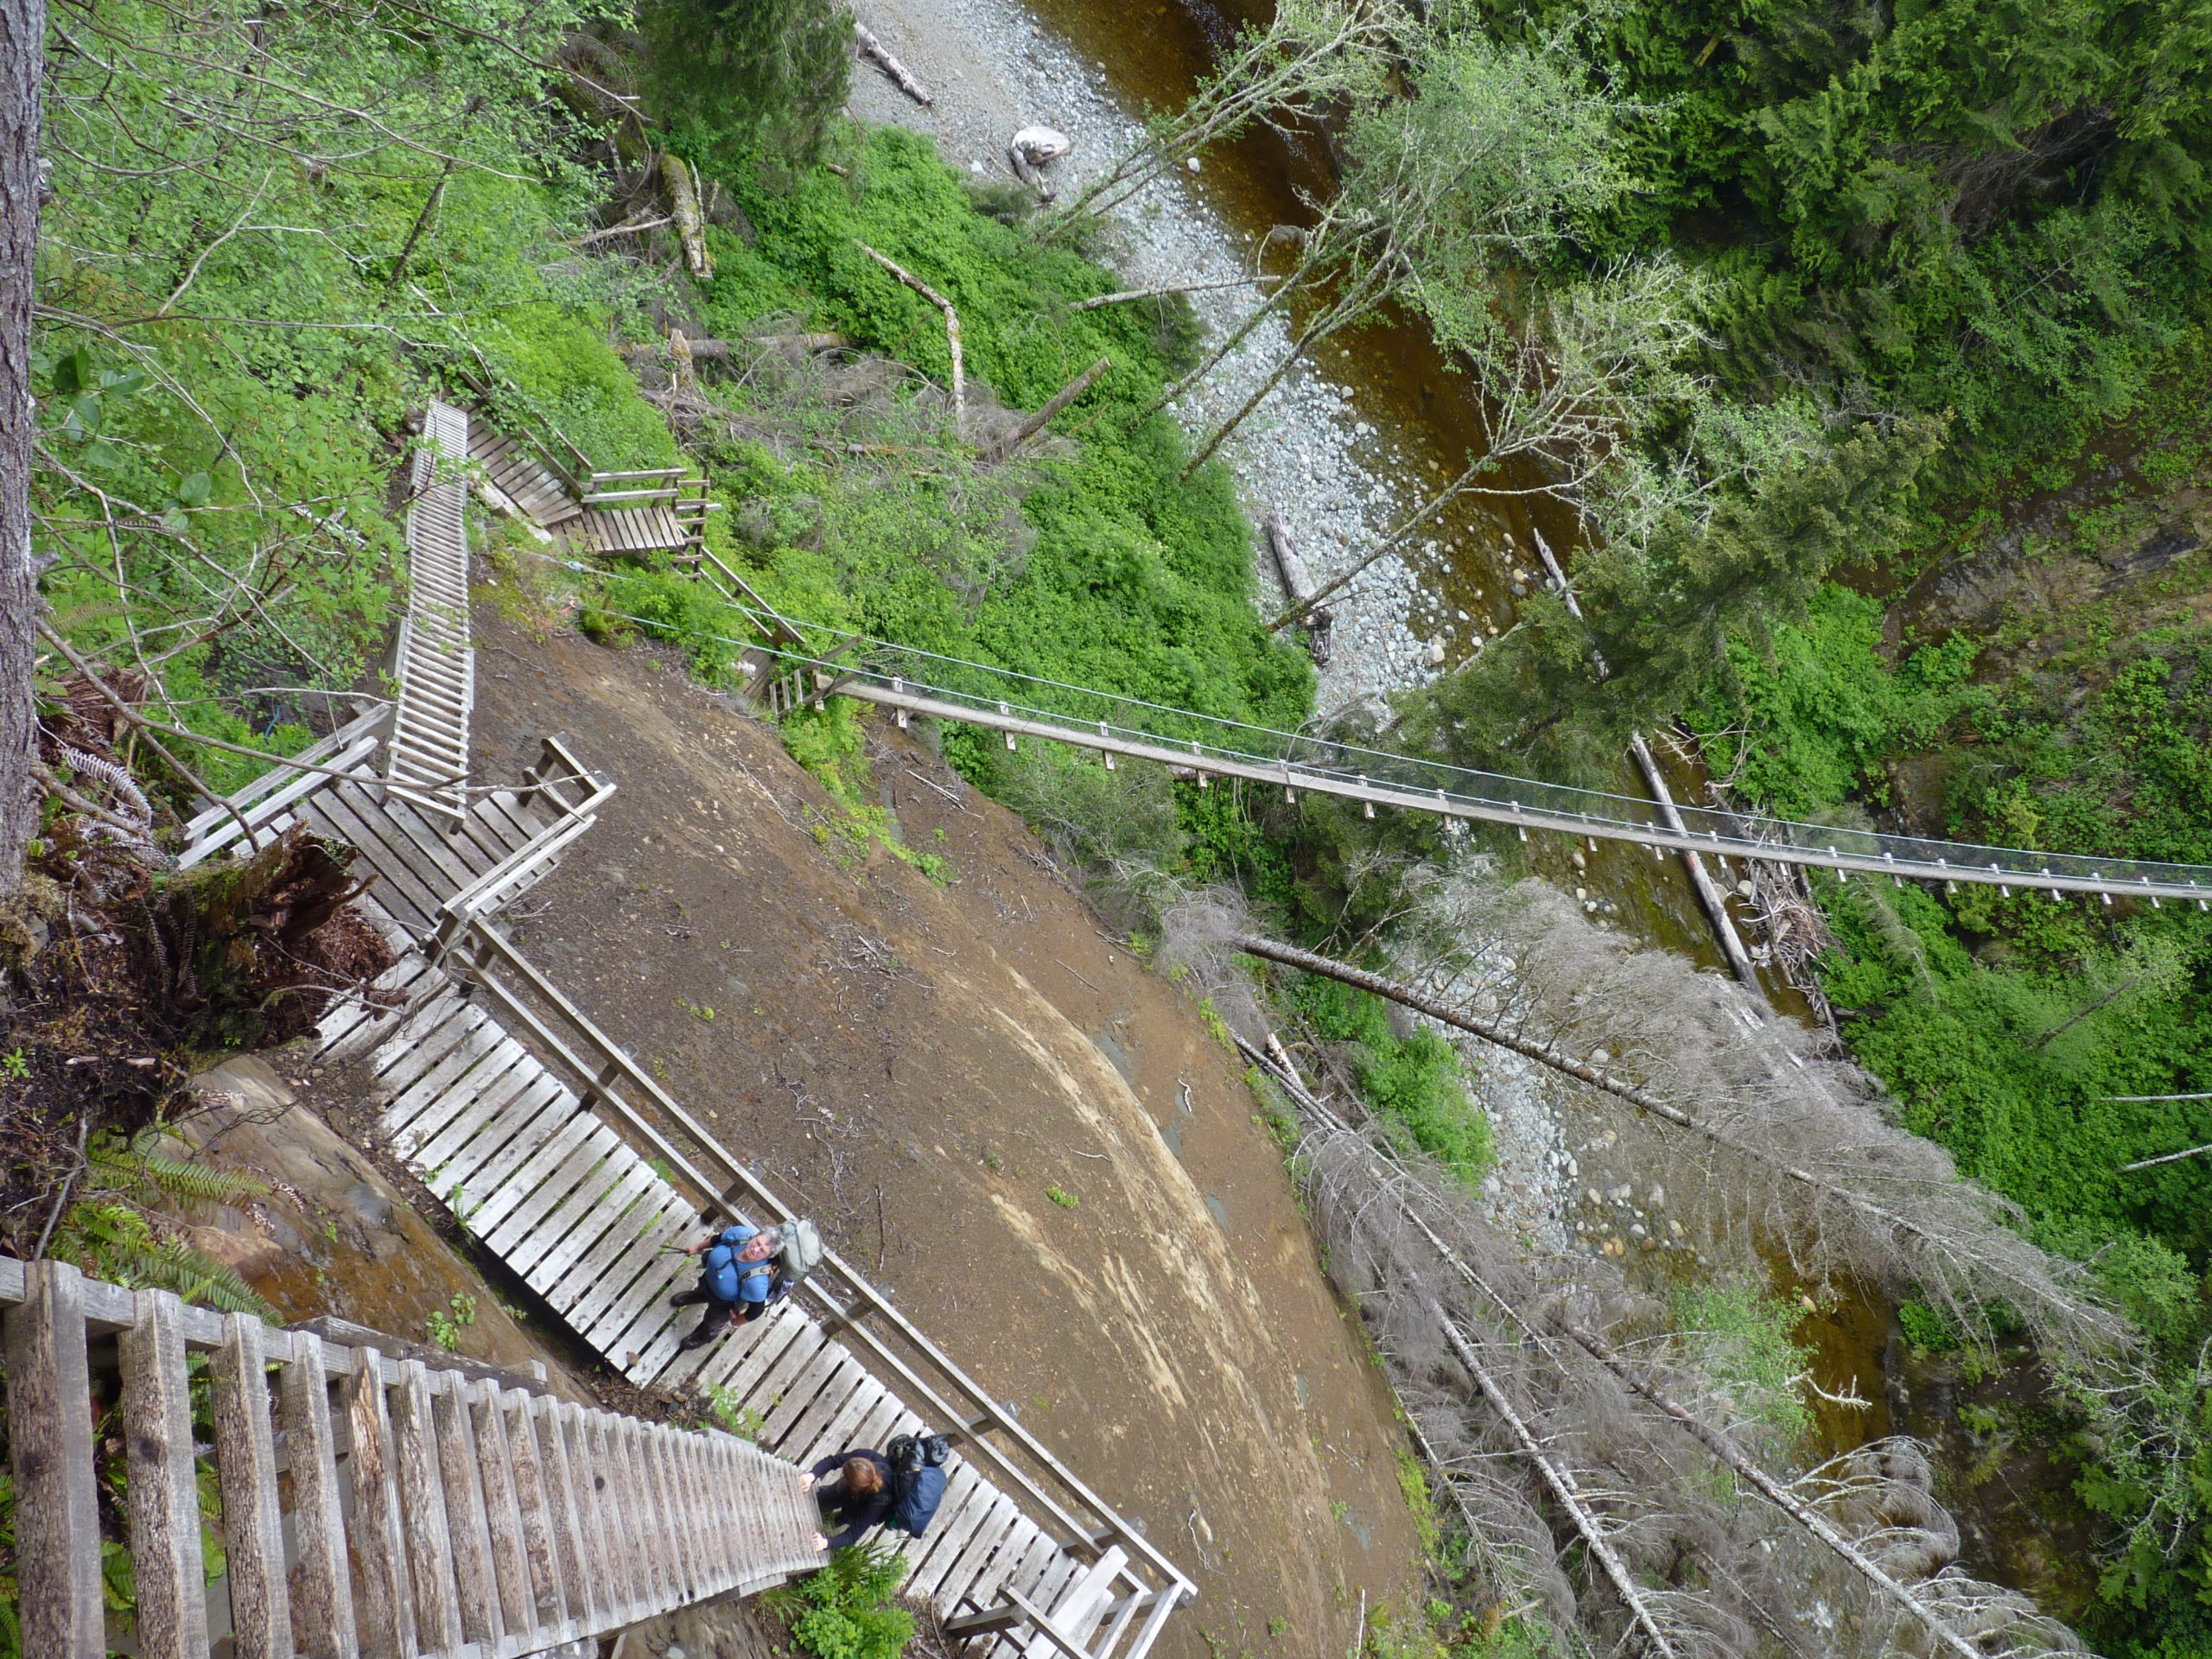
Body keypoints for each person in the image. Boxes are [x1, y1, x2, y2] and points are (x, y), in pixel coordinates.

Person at [668, 1221, 781, 1351]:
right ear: (754, 1236)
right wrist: (697, 1247)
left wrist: (735, 1322)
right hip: (709, 1279)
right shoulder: (740, 1234)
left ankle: (703, 1337)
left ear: (768, 1256)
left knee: (713, 1323)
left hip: (723, 1304)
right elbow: (717, 1239)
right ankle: (697, 1296)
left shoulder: (757, 1282)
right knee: (701, 1290)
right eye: (757, 1243)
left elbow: (756, 1311)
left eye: (762, 1251)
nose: (755, 1250)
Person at [801, 1448, 896, 1551]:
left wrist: (826, 1543)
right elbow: (833, 1461)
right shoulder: (864, 1456)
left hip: (862, 1508)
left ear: (854, 1486)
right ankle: (826, 1502)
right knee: (821, 1500)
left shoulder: (879, 1502)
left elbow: (853, 1535)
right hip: (852, 1490)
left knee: (850, 1515)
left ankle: (841, 1518)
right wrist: (812, 1475)